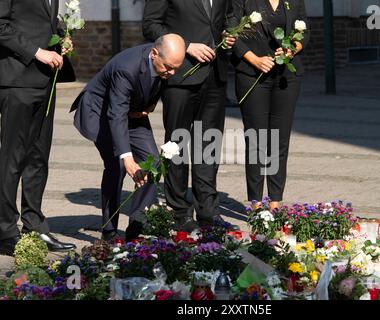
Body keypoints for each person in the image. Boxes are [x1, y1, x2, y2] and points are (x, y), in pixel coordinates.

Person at [70, 34, 186, 241]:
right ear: (154, 54)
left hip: (132, 112)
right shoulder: (126, 68)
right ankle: (109, 230)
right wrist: (127, 156)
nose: (172, 72)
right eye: (168, 67)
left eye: (177, 68)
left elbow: (160, 83)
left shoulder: (167, 62)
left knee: (153, 163)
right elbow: (116, 114)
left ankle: (137, 225)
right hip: (102, 113)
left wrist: (149, 104)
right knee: (118, 167)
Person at [143, 0, 240, 232]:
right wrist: (185, 45)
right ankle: (180, 213)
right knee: (177, 145)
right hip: (180, 75)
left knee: (208, 146)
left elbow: (230, 14)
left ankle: (208, 212)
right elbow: (150, 25)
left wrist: (230, 33)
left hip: (215, 76)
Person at [0, 0, 76, 256]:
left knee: (38, 156)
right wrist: (36, 51)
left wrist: (61, 39)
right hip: (17, 80)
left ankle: (35, 226)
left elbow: (41, 22)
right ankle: (6, 231)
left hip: (45, 80)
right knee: (13, 159)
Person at [232, 0, 310, 210]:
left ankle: (275, 201)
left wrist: (292, 50)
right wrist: (254, 60)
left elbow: (305, 31)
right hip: (252, 74)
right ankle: (256, 203)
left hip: (286, 77)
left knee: (279, 139)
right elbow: (231, 33)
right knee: (256, 139)